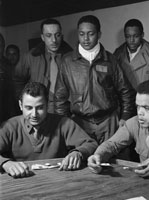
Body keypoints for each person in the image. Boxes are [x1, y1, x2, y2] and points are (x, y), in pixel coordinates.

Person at [54, 15, 136, 149]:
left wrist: (125, 117)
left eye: (90, 34)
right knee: (81, 162)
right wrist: (65, 123)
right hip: (79, 123)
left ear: (99, 34)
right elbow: (59, 98)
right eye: (81, 34)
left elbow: (126, 91)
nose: (85, 39)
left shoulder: (111, 60)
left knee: (109, 161)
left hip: (108, 122)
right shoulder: (67, 62)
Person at [0, 82, 98, 178]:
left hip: (57, 180)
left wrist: (78, 153)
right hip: (19, 183)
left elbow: (91, 144)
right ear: (21, 105)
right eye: (29, 108)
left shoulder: (64, 123)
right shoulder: (9, 126)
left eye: (40, 108)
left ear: (47, 105)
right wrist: (5, 163)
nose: (34, 114)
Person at [14, 18, 73, 114]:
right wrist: (26, 101)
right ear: (42, 37)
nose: (54, 40)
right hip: (38, 111)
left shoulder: (72, 57)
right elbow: (17, 80)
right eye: (48, 36)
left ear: (61, 36)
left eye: (57, 35)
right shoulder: (30, 57)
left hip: (65, 111)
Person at [113, 19, 149, 90]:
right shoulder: (116, 56)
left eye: (135, 36)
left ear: (142, 35)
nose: (131, 40)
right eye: (128, 36)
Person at [5, 44, 21, 116]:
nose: (11, 57)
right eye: (9, 54)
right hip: (7, 106)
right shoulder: (3, 70)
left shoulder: (24, 69)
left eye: (14, 54)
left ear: (18, 55)